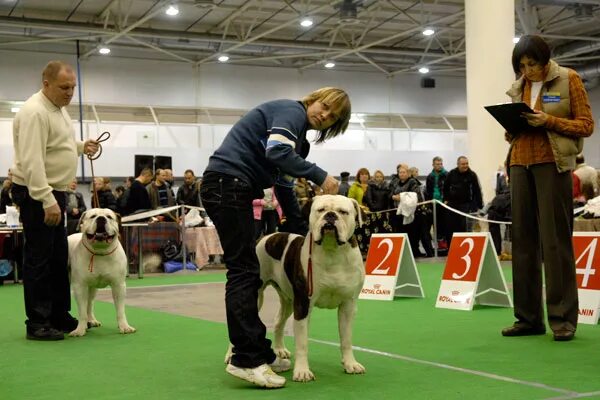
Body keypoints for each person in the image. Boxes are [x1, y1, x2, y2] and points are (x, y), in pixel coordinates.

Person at [200, 87, 350, 388]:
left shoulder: (301, 145)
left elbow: (282, 185)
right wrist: (320, 176)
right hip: (227, 183)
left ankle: (257, 350)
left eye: (332, 117)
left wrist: (301, 226)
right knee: (243, 272)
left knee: (247, 271)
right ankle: (247, 358)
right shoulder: (290, 112)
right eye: (324, 106)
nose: (324, 115)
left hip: (234, 186)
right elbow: (276, 152)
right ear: (314, 98)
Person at [502, 35, 594, 342]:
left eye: (532, 64)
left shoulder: (568, 79)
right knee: (523, 242)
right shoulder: (519, 87)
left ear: (545, 60)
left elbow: (586, 125)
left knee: (555, 242)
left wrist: (548, 121)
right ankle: (527, 319)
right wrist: (511, 128)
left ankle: (563, 320)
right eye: (522, 65)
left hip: (552, 165)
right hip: (519, 163)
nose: (527, 70)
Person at [10, 60, 99, 340]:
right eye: (64, 87)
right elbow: (32, 159)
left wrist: (81, 146)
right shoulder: (34, 112)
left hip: (54, 192)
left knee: (59, 258)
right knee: (39, 259)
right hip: (39, 193)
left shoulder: (59, 110)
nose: (70, 92)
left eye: (73, 87)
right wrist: (46, 199)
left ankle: (59, 316)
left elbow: (56, 145)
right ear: (46, 83)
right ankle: (37, 323)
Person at [443, 156, 483, 245]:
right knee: (450, 227)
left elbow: (477, 190)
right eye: (463, 164)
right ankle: (451, 247)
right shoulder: (451, 173)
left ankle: (463, 246)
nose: (465, 166)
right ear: (458, 164)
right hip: (452, 205)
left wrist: (479, 206)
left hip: (466, 205)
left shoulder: (472, 175)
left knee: (463, 227)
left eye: (467, 164)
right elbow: (445, 188)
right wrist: (445, 200)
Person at [424, 156, 448, 251]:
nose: (439, 166)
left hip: (444, 203)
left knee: (444, 224)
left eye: (441, 164)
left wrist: (446, 200)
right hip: (433, 204)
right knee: (435, 224)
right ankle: (438, 244)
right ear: (433, 165)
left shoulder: (447, 174)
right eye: (437, 164)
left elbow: (449, 189)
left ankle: (445, 244)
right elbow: (428, 191)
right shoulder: (430, 176)